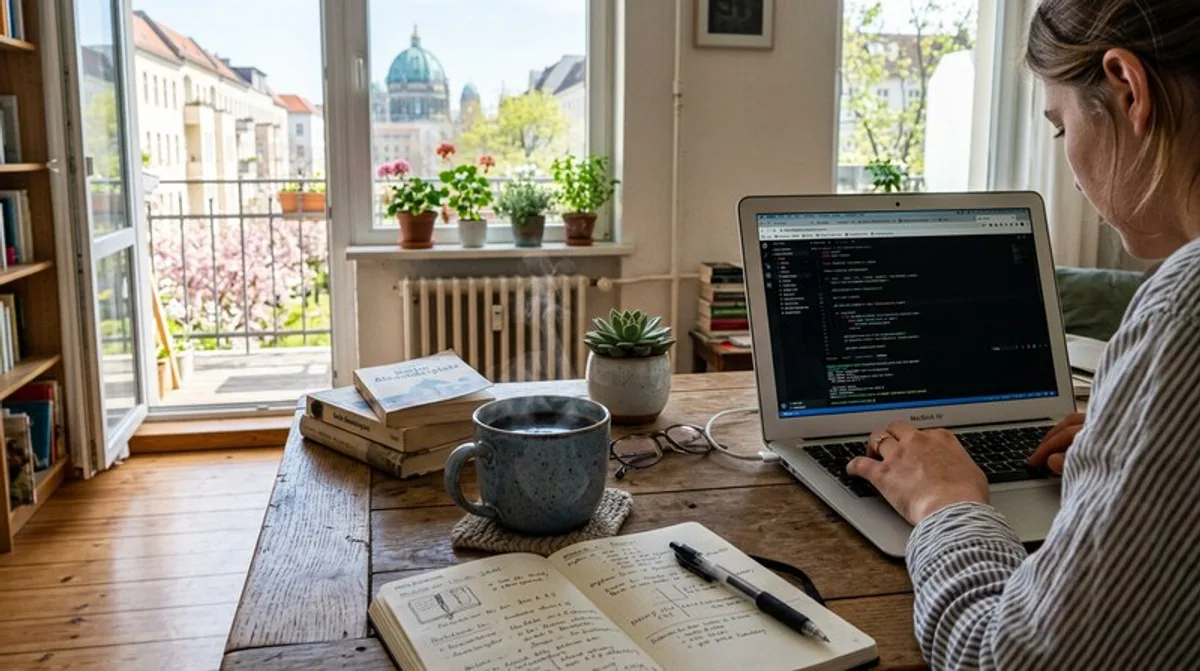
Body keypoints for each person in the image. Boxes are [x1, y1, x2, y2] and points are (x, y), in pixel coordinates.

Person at [845, 0, 1200, 668]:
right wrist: (1135, 437)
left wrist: (943, 502)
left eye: (1062, 129)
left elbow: (1010, 660)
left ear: (1128, 88)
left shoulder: (1185, 308)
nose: (1068, 163)